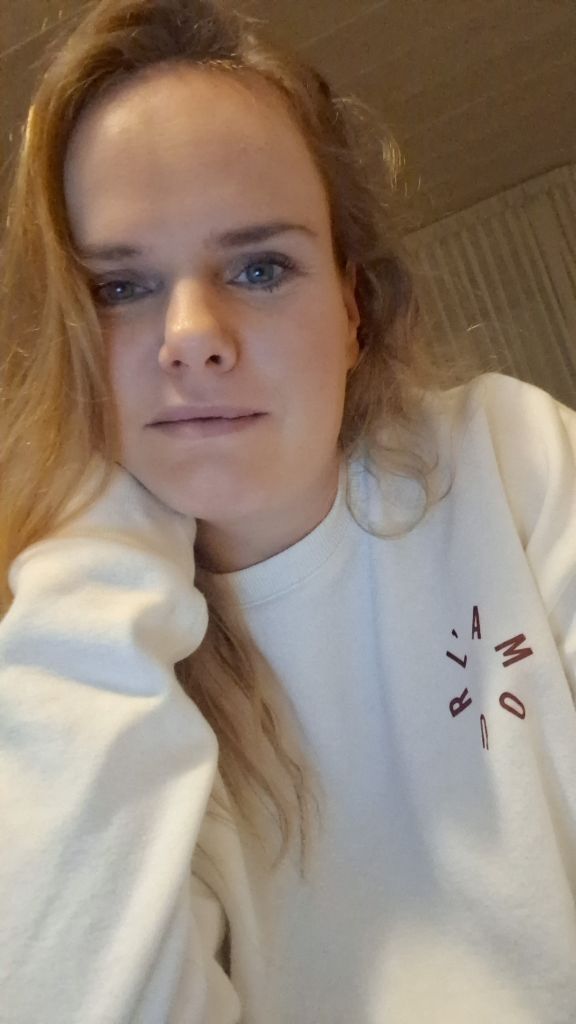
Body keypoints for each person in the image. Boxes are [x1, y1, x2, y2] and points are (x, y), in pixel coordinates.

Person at [0, 0, 575, 1021]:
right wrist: (96, 525)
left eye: (259, 267)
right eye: (119, 288)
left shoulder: (510, 457)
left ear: (352, 309)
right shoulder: (66, 658)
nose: (191, 334)